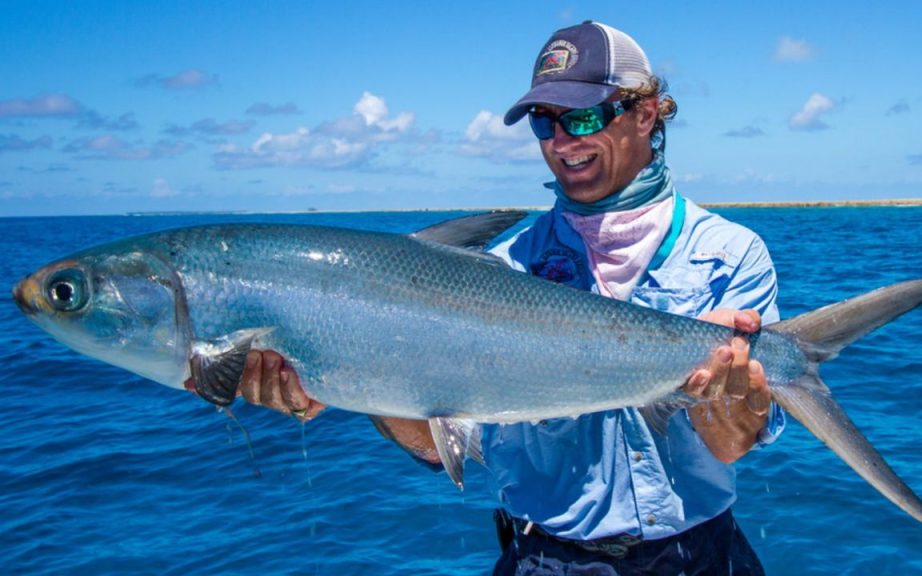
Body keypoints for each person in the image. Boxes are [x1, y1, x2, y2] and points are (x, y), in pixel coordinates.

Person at [235, 21, 785, 575]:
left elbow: (733, 445)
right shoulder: (502, 270)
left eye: (583, 117)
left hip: (703, 557)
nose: (563, 142)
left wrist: (727, 391)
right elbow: (435, 440)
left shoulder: (729, 253)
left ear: (646, 114)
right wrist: (354, 375)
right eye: (545, 123)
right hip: (546, 559)